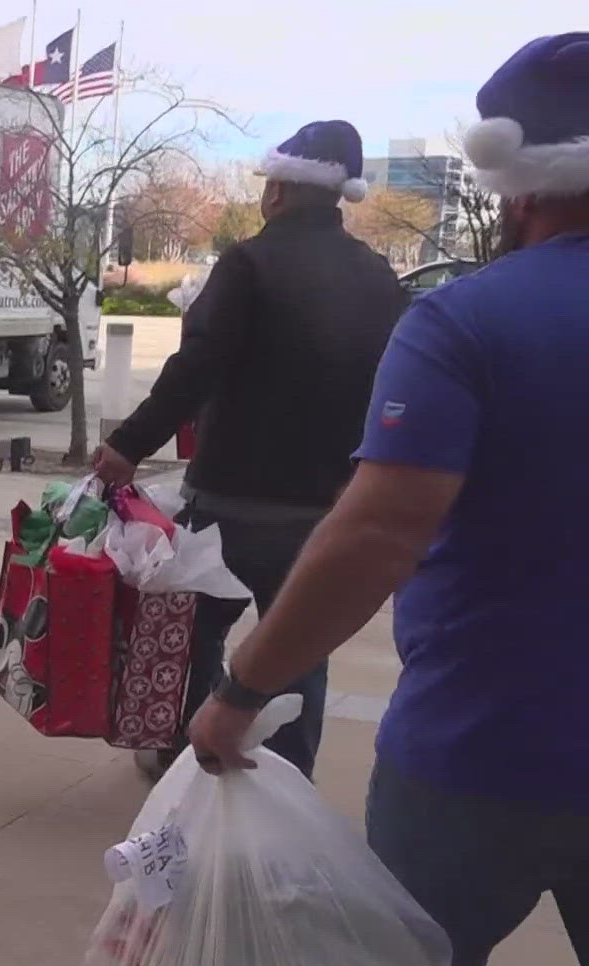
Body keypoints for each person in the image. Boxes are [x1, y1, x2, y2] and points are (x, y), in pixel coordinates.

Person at [186, 33, 589, 966]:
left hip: (476, 756)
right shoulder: (393, 290)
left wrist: (242, 689)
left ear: (517, 184)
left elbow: (377, 534)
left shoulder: (469, 318)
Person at [96, 119, 409, 780]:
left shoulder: (249, 263)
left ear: (278, 191)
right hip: (323, 508)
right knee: (299, 647)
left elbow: (195, 368)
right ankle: (286, 780)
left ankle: (186, 755)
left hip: (229, 502)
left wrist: (127, 444)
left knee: (196, 629)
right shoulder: (380, 280)